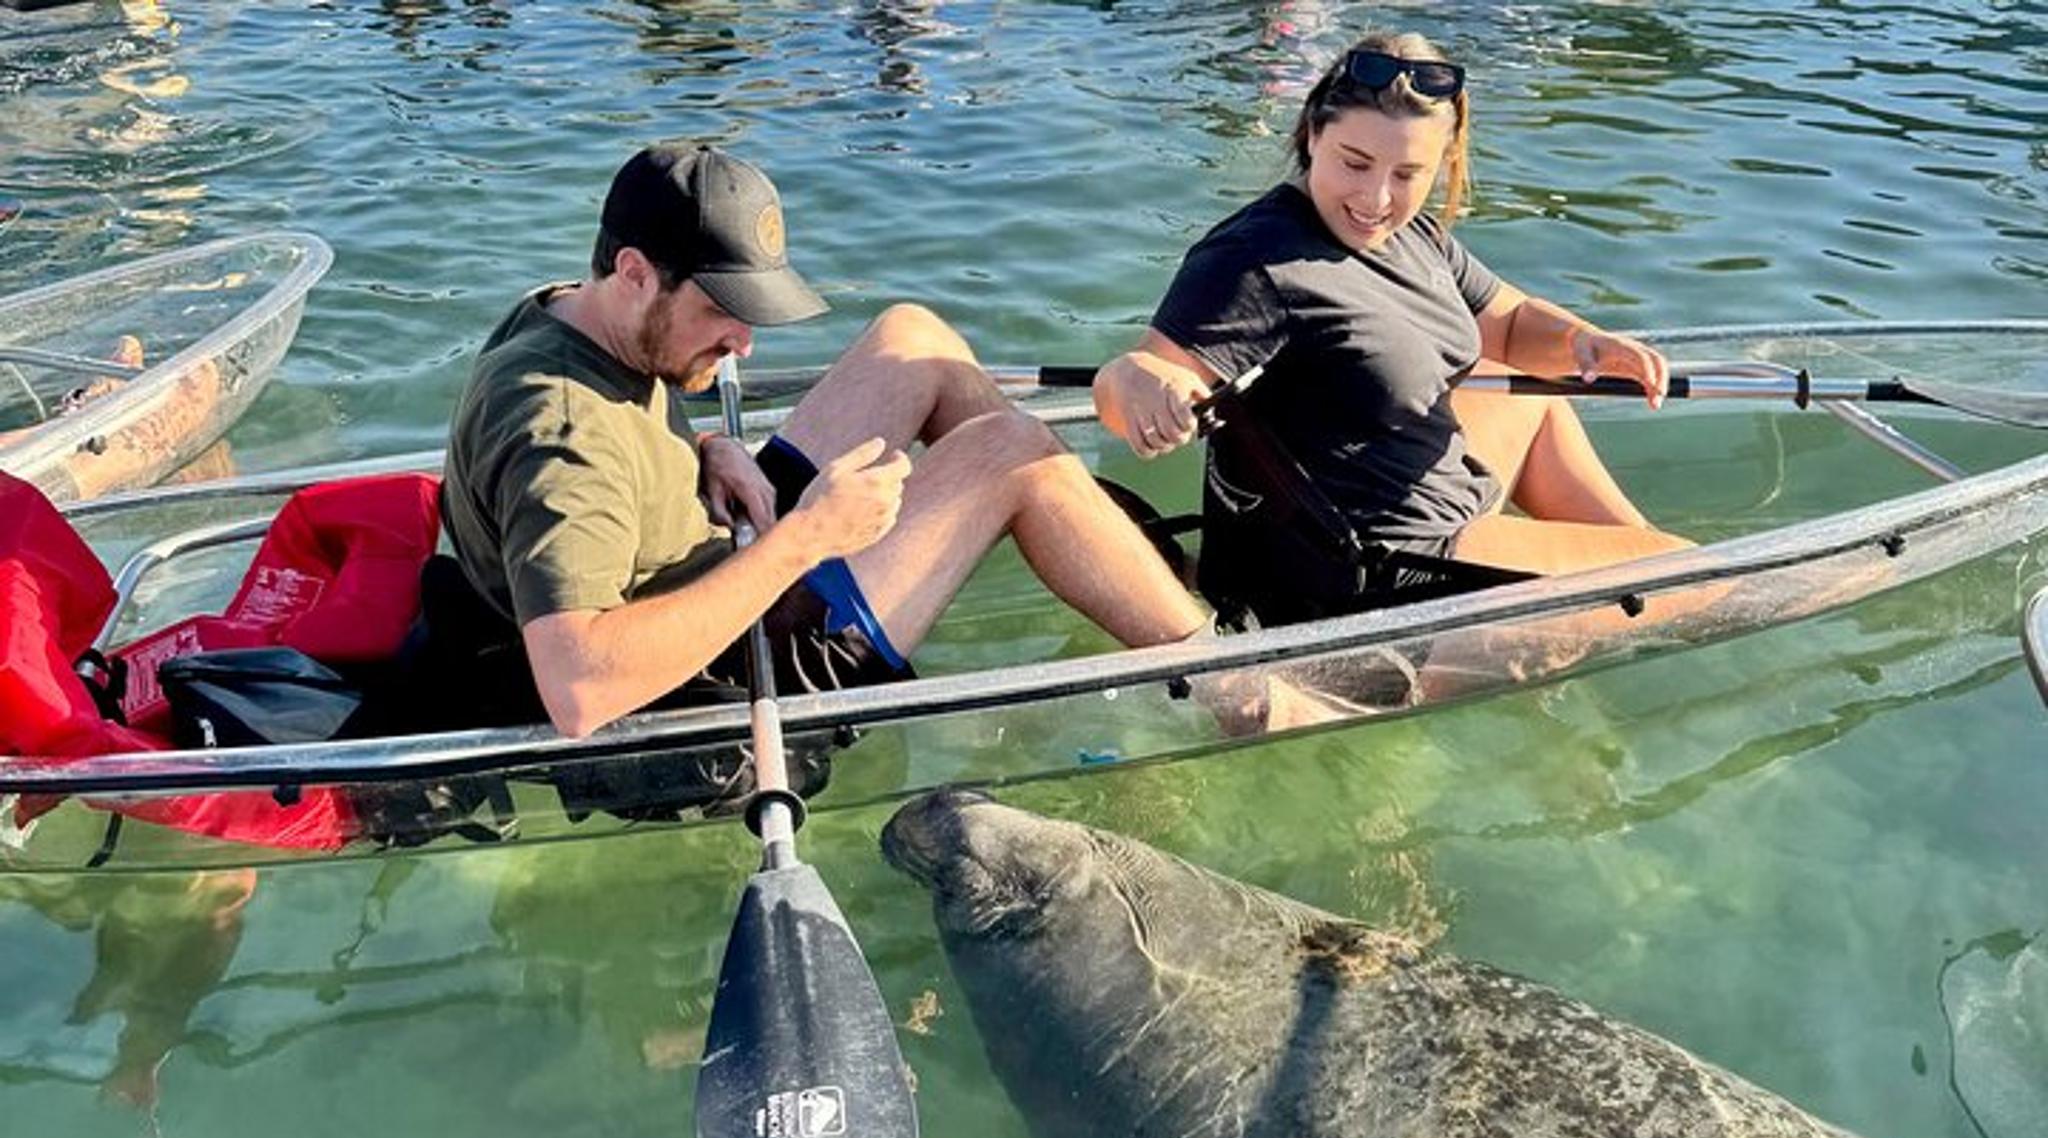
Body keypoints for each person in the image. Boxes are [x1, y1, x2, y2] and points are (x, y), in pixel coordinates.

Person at [436, 142, 1239, 740]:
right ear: (635, 271)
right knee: (1014, 454)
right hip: (728, 669)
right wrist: (806, 539)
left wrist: (700, 449)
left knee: (913, 339)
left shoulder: (570, 312)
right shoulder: (565, 433)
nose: (744, 344)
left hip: (718, 548)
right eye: (721, 312)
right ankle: (1242, 690)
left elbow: (614, 446)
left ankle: (1126, 573)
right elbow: (578, 691)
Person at [1092, 31, 1693, 631]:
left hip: (1433, 498)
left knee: (1535, 400)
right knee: (1699, 574)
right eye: (1354, 163)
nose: (1376, 198)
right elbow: (1143, 373)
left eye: (1408, 173)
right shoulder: (1253, 258)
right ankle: (1648, 584)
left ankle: (1632, 562)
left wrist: (1584, 341)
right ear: (1312, 134)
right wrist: (1143, 386)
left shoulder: (1416, 236)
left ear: (1442, 164)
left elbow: (1509, 325)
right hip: (1389, 571)